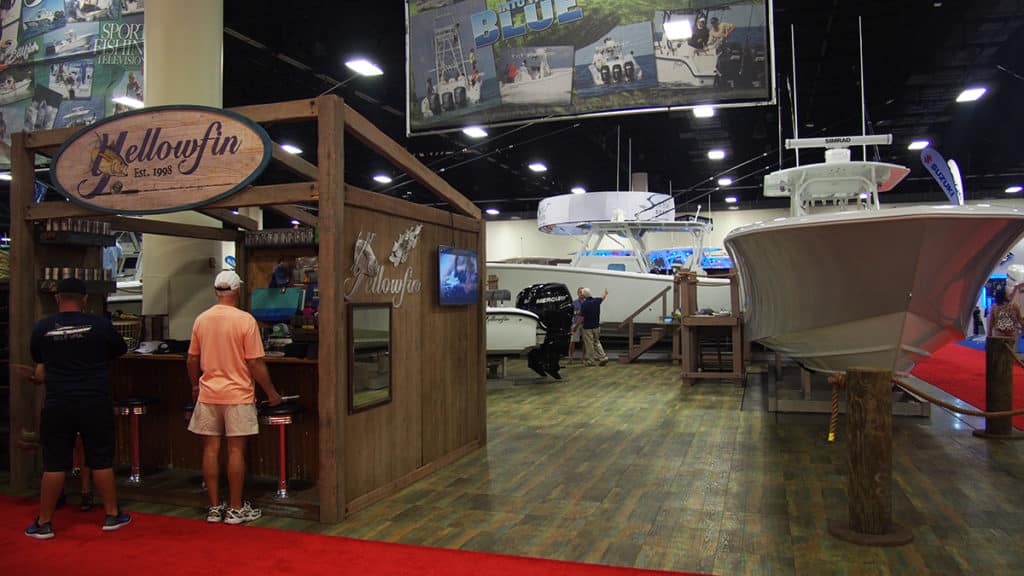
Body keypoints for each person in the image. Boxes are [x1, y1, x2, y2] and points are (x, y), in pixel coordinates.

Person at [26, 277, 130, 539]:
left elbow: (39, 361)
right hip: (94, 400)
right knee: (101, 457)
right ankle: (111, 514)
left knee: (54, 463)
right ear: (84, 299)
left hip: (58, 401)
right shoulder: (100, 326)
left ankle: (45, 521)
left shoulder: (42, 328)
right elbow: (120, 349)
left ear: (57, 298)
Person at [187, 271, 283, 524]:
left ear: (215, 291)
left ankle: (214, 507)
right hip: (238, 394)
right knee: (235, 450)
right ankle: (235, 507)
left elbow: (192, 359)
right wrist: (271, 392)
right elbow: (255, 362)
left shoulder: (202, 319)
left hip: (209, 393)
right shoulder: (245, 320)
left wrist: (195, 387)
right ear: (237, 291)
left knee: (210, 450)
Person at [579, 287, 609, 366]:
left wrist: (576, 326)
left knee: (589, 344)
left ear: (584, 295)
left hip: (587, 327)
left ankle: (591, 361)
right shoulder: (596, 301)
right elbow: (603, 298)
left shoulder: (584, 304)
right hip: (596, 326)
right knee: (597, 342)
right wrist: (605, 293)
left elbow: (582, 318)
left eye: (581, 293)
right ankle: (603, 357)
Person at [568, 287, 586, 362]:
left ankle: (583, 358)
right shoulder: (574, 302)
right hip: (575, 324)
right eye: (580, 292)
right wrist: (576, 313)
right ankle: (570, 357)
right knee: (572, 341)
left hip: (585, 324)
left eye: (582, 292)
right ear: (578, 293)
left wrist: (580, 313)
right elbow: (571, 313)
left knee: (585, 341)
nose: (581, 293)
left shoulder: (588, 302)